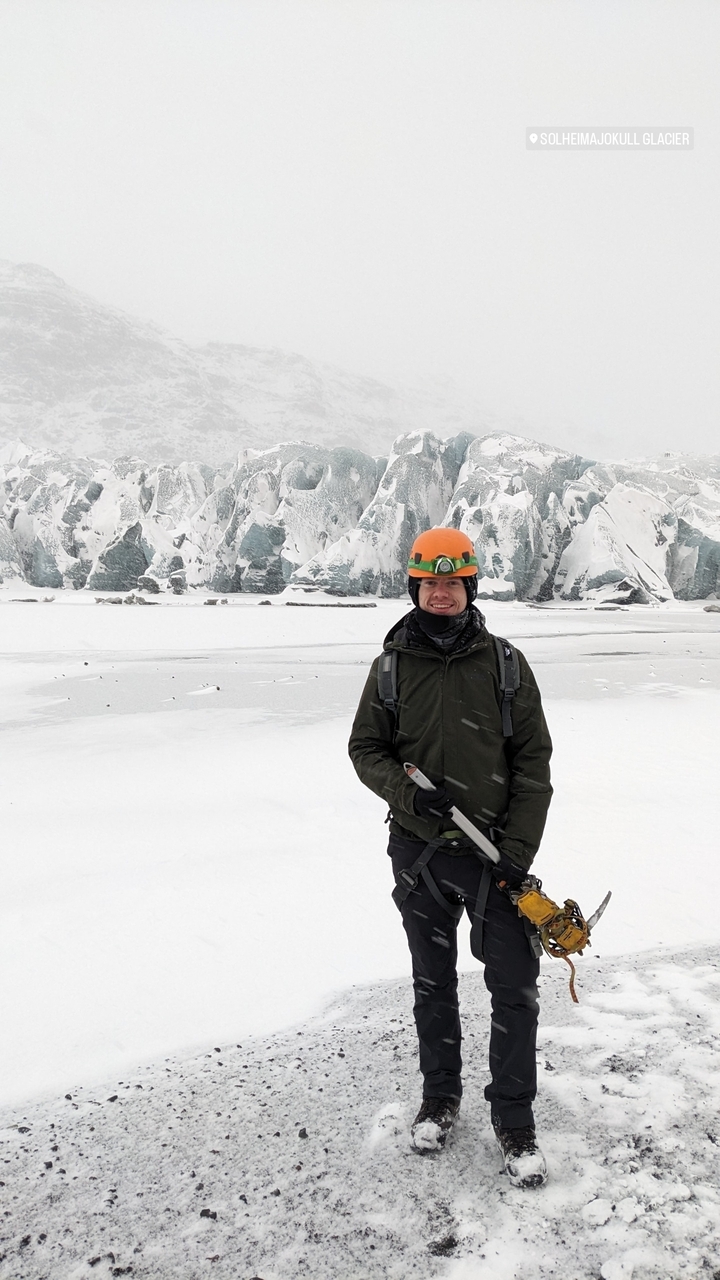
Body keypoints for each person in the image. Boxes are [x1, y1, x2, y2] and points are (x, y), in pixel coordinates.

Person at [348, 527, 553, 1188]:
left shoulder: (506, 666)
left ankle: (514, 1122)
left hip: (495, 856)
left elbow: (533, 767)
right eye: (430, 583)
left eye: (453, 581)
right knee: (432, 983)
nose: (441, 592)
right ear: (416, 587)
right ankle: (440, 1099)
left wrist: (516, 853)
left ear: (469, 587)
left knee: (514, 988)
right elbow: (366, 750)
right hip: (420, 856)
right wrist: (409, 798)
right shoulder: (389, 667)